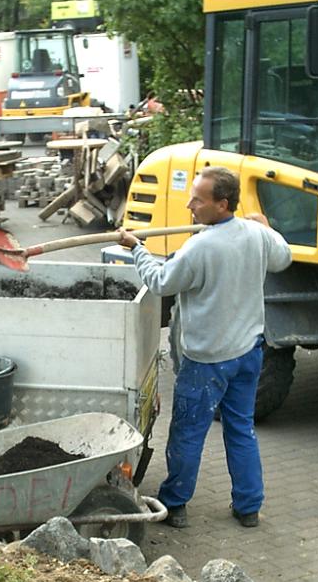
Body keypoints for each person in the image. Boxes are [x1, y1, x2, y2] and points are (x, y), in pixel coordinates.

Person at [118, 166, 291, 528]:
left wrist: (137, 249)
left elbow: (160, 281)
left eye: (198, 199)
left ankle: (175, 504)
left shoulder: (200, 247)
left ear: (222, 204)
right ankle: (248, 507)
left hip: (206, 362)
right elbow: (283, 257)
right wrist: (266, 226)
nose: (190, 205)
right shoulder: (256, 235)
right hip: (248, 354)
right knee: (241, 429)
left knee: (188, 433)